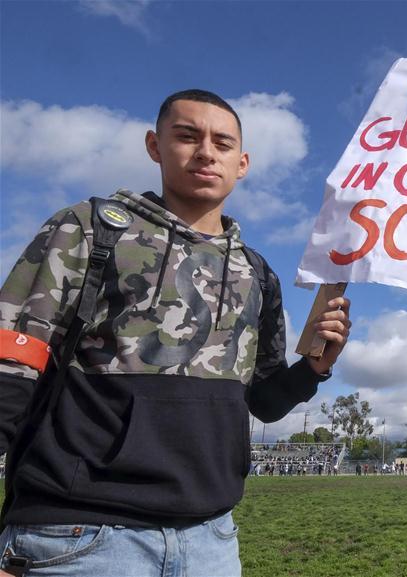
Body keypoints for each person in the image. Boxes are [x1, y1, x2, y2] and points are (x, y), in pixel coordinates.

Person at [0, 89, 351, 576]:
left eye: (222, 143)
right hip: (80, 538)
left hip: (212, 540)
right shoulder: (89, 230)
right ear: (155, 145)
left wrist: (312, 369)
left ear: (242, 163)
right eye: (188, 136)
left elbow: (265, 402)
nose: (206, 152)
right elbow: (11, 368)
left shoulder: (256, 273)